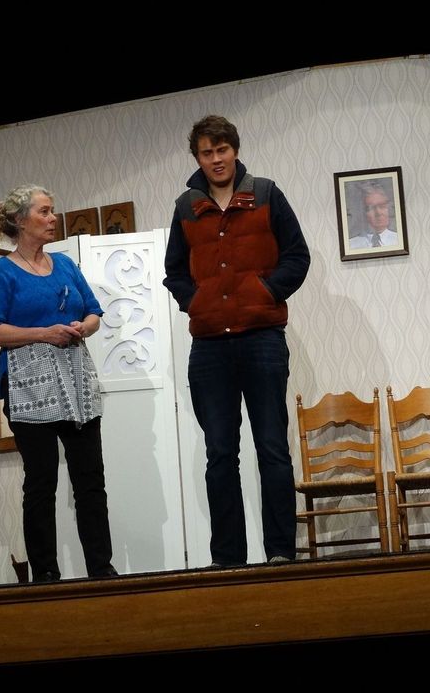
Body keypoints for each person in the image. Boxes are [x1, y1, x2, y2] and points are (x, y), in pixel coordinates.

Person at [164, 115, 310, 566]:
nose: (216, 159)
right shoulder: (186, 207)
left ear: (235, 150)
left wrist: (265, 292)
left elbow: (297, 256)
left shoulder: (266, 193)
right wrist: (197, 302)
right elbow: (174, 272)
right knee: (220, 454)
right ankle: (228, 560)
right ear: (197, 158)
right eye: (207, 152)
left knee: (272, 448)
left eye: (222, 150)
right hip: (209, 348)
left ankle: (280, 553)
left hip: (262, 340)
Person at [0, 185, 117, 582]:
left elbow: (94, 313)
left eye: (52, 211)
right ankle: (45, 575)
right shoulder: (1, 272)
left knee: (91, 481)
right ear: (20, 221)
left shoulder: (65, 265)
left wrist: (83, 327)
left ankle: (101, 569)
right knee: (41, 482)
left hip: (76, 380)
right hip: (29, 387)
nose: (53, 218)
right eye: (44, 212)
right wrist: (42, 333)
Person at [348, 182, 398, 248]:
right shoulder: (351, 245)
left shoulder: (398, 240)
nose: (378, 213)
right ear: (363, 212)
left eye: (382, 206)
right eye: (371, 208)